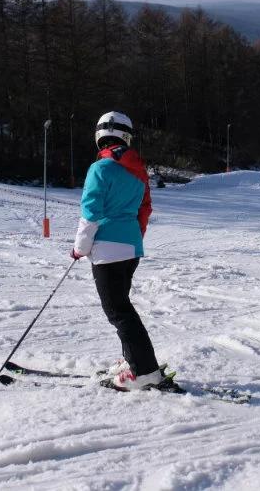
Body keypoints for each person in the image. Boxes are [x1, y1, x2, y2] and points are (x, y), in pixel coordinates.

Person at [72, 111, 161, 390]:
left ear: (100, 137)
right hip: (130, 249)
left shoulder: (100, 168)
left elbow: (91, 212)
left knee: (118, 311)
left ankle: (144, 371)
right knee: (122, 306)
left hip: (107, 250)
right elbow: (144, 210)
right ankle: (132, 360)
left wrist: (79, 248)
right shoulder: (138, 173)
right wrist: (132, 239)